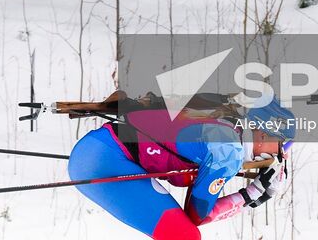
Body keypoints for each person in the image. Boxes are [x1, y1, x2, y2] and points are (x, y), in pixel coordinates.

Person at [67, 97, 295, 240]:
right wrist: (250, 194)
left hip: (102, 149)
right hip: (103, 163)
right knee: (184, 236)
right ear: (264, 133)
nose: (280, 153)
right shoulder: (229, 152)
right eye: (282, 144)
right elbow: (196, 215)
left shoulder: (228, 124)